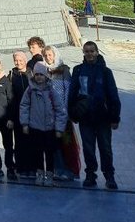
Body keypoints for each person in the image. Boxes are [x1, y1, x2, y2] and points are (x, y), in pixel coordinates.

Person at [68, 41, 121, 190]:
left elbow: (113, 95)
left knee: (105, 148)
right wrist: (73, 113)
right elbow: (72, 93)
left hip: (103, 117)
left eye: (92, 51)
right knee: (88, 148)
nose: (89, 54)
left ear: (97, 52)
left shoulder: (105, 72)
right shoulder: (78, 70)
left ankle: (109, 175)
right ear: (83, 53)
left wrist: (115, 117)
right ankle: (90, 174)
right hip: (86, 116)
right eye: (87, 51)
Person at [19, 61, 68, 186]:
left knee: (49, 152)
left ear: (46, 76)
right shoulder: (30, 90)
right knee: (37, 152)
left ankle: (50, 174)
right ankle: (40, 173)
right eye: (37, 75)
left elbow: (60, 110)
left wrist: (59, 128)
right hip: (35, 127)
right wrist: (24, 123)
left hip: (50, 128)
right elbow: (24, 106)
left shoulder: (51, 91)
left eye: (41, 74)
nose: (39, 77)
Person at [43, 45, 77, 181]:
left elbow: (68, 90)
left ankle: (69, 170)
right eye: (45, 55)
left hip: (62, 113)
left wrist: (66, 111)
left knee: (66, 143)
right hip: (49, 115)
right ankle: (57, 169)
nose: (48, 58)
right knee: (53, 144)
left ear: (55, 55)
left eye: (50, 55)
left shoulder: (64, 70)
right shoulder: (43, 70)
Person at [8, 50, 35, 179]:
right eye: (16, 60)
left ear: (25, 60)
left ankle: (32, 168)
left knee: (32, 141)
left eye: (20, 60)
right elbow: (10, 98)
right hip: (17, 113)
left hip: (32, 114)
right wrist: (11, 117)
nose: (18, 62)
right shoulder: (11, 75)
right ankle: (21, 167)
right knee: (19, 142)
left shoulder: (32, 73)